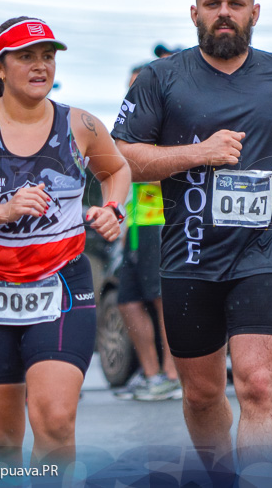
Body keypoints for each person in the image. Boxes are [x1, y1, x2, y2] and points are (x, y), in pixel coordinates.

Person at [112, 0, 272, 471]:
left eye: (236, 4)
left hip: (264, 251)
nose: (224, 14)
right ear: (195, 14)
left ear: (255, 14)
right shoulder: (161, 78)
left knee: (257, 386)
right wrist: (199, 154)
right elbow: (125, 156)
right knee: (203, 395)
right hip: (189, 255)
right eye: (213, 5)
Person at [0, 17, 131, 471]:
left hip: (61, 286)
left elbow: (117, 170)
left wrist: (113, 209)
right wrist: (3, 210)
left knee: (56, 422)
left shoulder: (79, 124)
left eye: (47, 57)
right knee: (0, 441)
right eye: (26, 57)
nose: (40, 66)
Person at [113, 63, 180, 402]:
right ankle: (152, 374)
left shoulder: (163, 117)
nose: (131, 93)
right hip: (137, 221)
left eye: (135, 86)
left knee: (160, 297)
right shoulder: (131, 123)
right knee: (128, 301)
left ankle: (171, 374)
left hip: (159, 217)